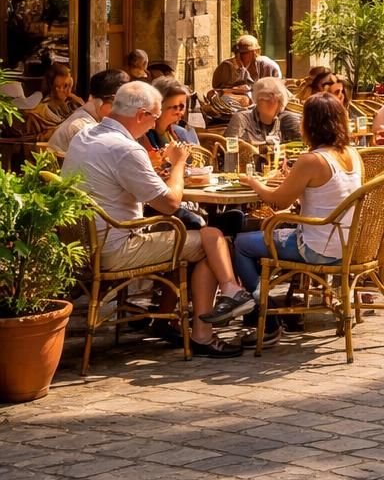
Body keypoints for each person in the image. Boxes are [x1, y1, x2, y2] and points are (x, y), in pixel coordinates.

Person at [62, 81, 248, 356]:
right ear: (140, 115)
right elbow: (171, 203)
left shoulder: (86, 134)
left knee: (199, 235)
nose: (154, 123)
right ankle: (204, 332)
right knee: (212, 240)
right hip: (116, 246)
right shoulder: (126, 148)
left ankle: (180, 313)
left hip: (82, 243)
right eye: (154, 116)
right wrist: (178, 163)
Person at [231, 94, 363, 322]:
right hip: (349, 244)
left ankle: (264, 312)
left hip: (318, 247)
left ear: (309, 124)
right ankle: (270, 304)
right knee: (266, 235)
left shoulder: (312, 160)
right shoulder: (353, 154)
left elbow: (278, 202)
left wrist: (255, 183)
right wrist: (293, 181)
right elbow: (329, 195)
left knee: (241, 244)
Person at [47, 69, 127, 154]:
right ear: (101, 101)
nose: (121, 112)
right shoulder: (84, 127)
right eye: (118, 105)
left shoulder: (86, 117)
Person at [225, 77, 302, 146]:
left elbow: (298, 149)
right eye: (262, 97)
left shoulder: (288, 120)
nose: (266, 100)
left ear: (280, 101)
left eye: (271, 97)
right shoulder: (242, 118)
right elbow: (229, 147)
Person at [212, 35, 280, 97]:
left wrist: (250, 90)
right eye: (237, 53)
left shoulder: (267, 66)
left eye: (244, 53)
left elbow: (275, 92)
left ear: (255, 52)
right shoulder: (226, 66)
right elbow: (217, 90)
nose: (239, 56)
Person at [147, 78, 200, 147]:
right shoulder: (145, 135)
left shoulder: (177, 132)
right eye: (175, 106)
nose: (181, 113)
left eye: (182, 107)